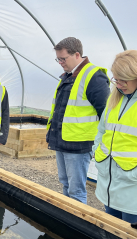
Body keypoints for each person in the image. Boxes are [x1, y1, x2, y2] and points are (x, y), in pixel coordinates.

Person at [93, 50, 137, 223]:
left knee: (133, 236)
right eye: (116, 79)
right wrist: (97, 152)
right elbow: (102, 129)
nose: (118, 85)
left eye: (123, 80)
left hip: (135, 184)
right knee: (111, 232)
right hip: (110, 181)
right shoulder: (116, 98)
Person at [46, 37, 110, 204]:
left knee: (76, 190)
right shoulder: (67, 76)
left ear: (76, 54)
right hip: (62, 140)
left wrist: (102, 144)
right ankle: (67, 218)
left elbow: (106, 114)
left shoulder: (94, 77)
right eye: (58, 59)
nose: (60, 62)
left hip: (79, 144)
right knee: (66, 184)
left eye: (63, 58)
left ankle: (76, 224)